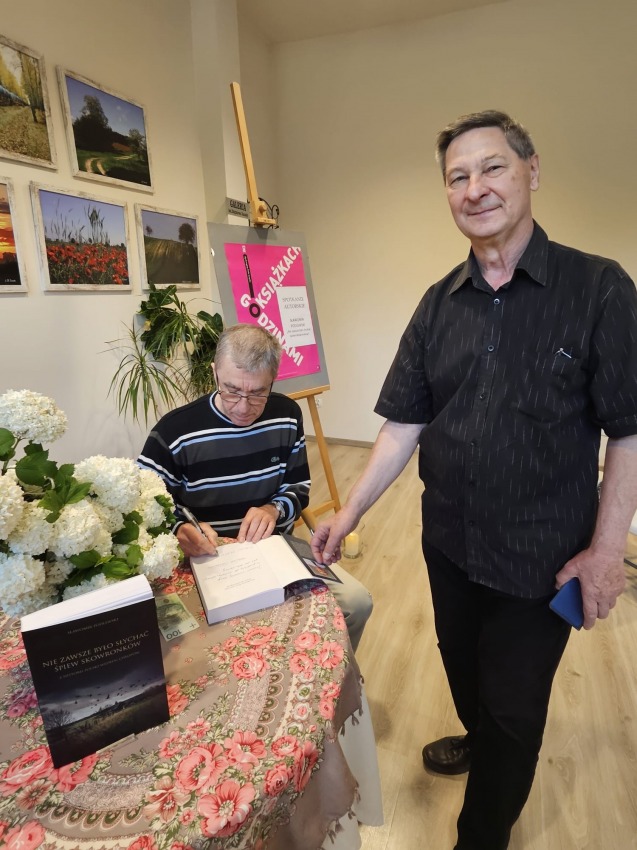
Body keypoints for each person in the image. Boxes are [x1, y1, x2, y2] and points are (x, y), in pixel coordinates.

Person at [311, 110, 637, 849]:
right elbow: (403, 423)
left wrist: (605, 550)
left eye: (492, 167)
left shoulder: (597, 288)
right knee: (463, 672)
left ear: (531, 171)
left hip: (540, 558)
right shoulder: (438, 303)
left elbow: (628, 428)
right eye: (457, 177)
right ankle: (479, 738)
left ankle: (481, 834)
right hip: (450, 544)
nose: (474, 188)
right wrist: (350, 512)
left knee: (515, 709)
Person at [138, 323, 372, 651]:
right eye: (232, 390)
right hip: (205, 558)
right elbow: (146, 504)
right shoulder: (174, 431)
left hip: (275, 548)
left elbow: (298, 486)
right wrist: (179, 528)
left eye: (258, 393)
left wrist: (273, 509)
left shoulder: (286, 415)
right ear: (214, 372)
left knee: (357, 603)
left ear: (273, 380)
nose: (243, 407)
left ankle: (329, 675)